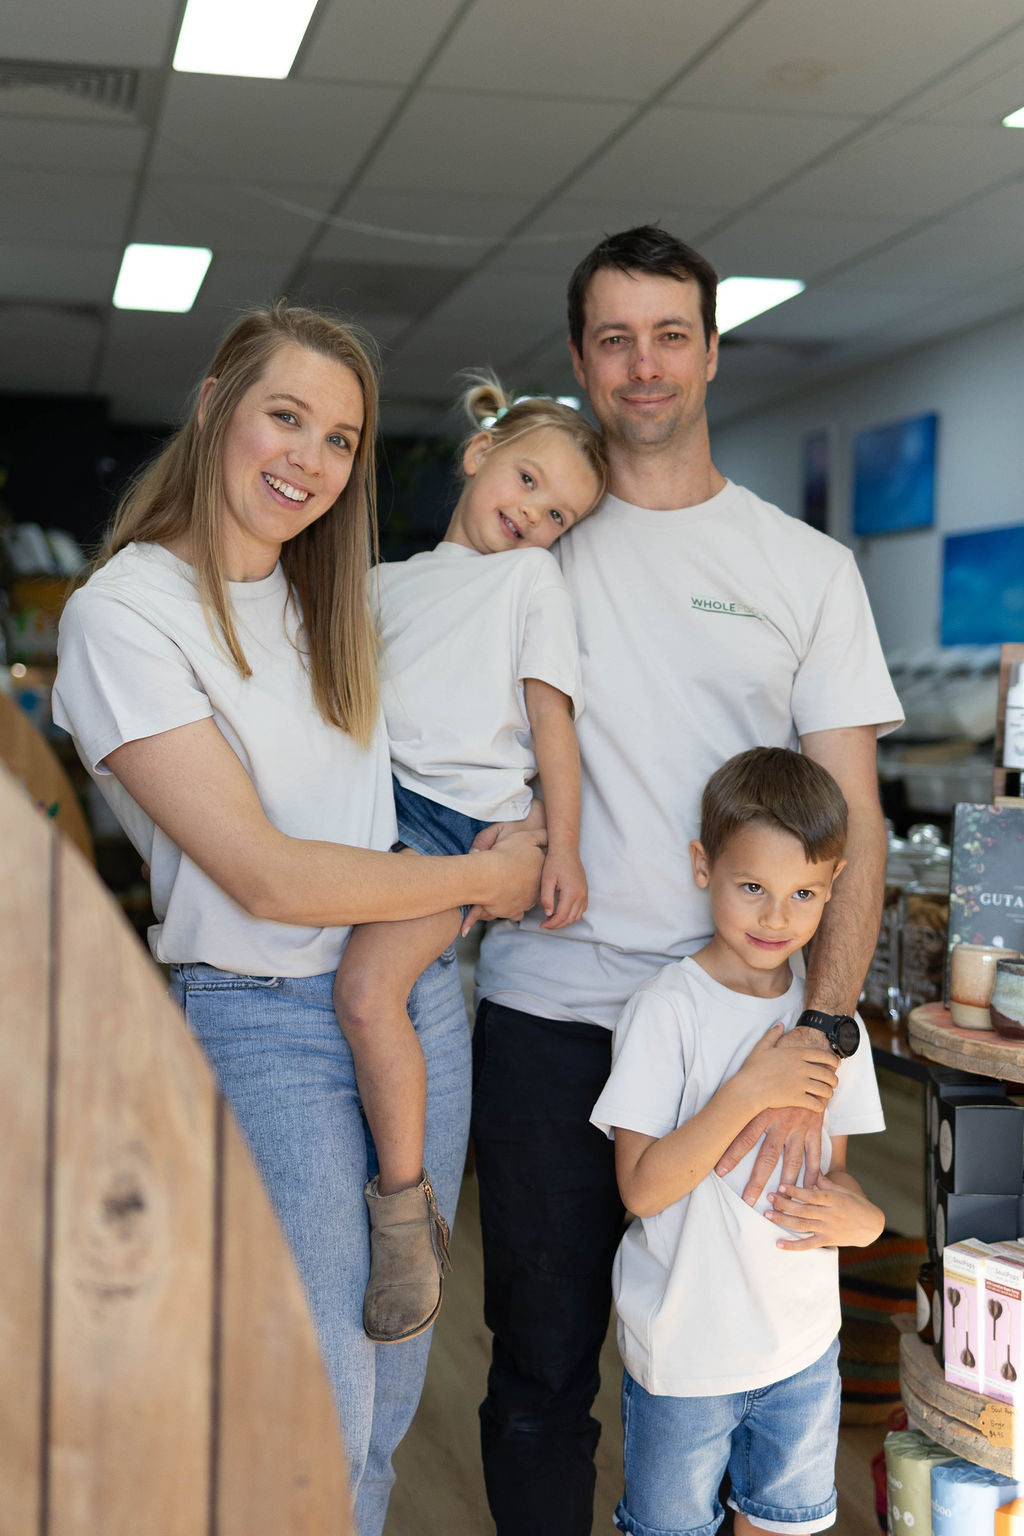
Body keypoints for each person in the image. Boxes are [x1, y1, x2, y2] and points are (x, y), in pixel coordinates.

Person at [51, 302, 545, 1536]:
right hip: (265, 1030)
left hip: (414, 1009)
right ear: (217, 401)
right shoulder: (126, 614)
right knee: (309, 1412)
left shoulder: (340, 606)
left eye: (341, 439)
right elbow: (267, 876)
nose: (308, 460)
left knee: (384, 1401)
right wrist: (483, 881)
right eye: (286, 416)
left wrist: (528, 828)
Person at [471, 226, 904, 1533]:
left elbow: (858, 828)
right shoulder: (527, 547)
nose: (644, 365)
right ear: (579, 360)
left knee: (757, 1357)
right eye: (615, 338)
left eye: (671, 335)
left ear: (713, 352)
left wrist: (821, 1034)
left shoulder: (804, 571)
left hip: (752, 1026)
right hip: (553, 1009)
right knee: (543, 1358)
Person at [333, 375, 605, 1345]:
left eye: (556, 512)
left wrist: (556, 842)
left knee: (367, 995)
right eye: (526, 479)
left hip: (454, 826)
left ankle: (405, 1215)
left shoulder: (528, 581)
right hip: (363, 812)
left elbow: (552, 721)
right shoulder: (380, 583)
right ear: (477, 452)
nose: (531, 514)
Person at [591, 747, 885, 1536]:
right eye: (752, 887)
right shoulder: (666, 1011)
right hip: (687, 1357)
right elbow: (642, 1188)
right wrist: (748, 1093)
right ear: (703, 867)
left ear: (835, 886)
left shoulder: (831, 1029)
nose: (776, 917)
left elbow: (838, 1179)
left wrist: (865, 1223)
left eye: (803, 895)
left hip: (802, 1351)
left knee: (785, 1525)